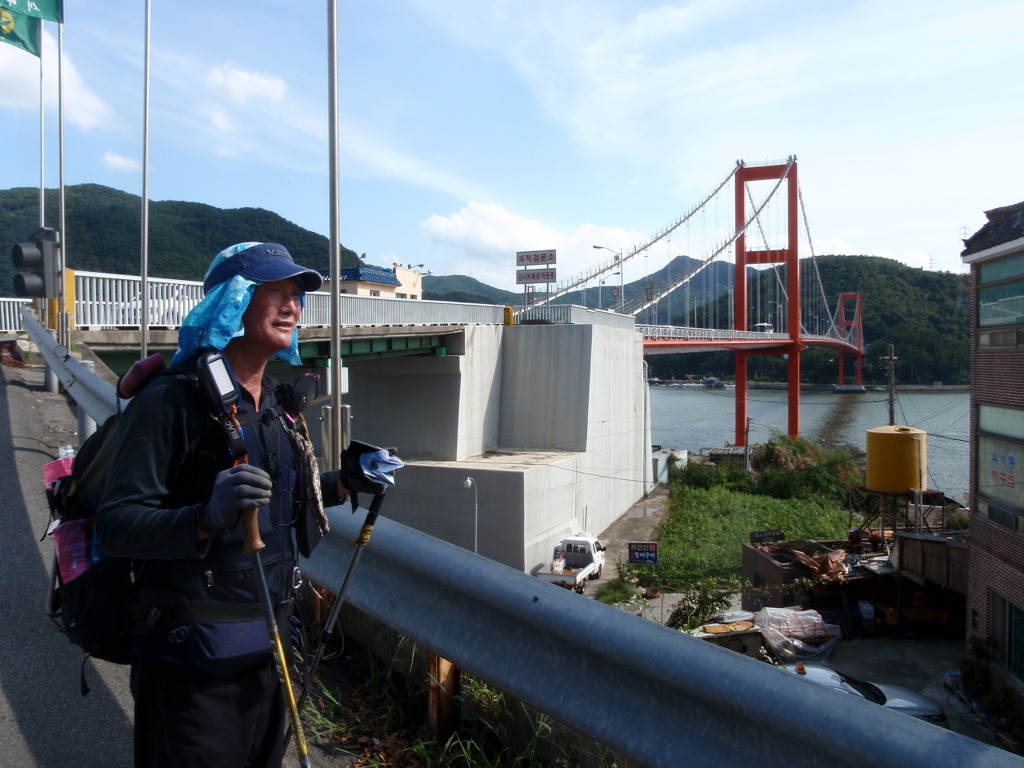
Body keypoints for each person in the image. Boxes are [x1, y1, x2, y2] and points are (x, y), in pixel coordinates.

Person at [96, 242, 348, 768]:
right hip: (191, 663)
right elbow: (116, 525)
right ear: (232, 301)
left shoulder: (274, 403)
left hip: (270, 648)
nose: (291, 305)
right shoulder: (172, 400)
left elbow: (277, 502)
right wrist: (205, 519)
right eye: (273, 291)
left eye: (296, 294)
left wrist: (345, 482)